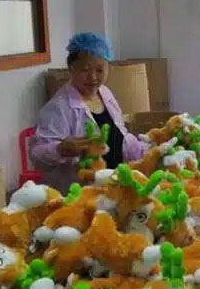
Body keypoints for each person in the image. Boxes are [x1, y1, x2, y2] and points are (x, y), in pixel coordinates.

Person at [30, 32, 147, 191]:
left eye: (99, 70)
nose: (92, 77)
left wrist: (149, 150)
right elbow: (37, 154)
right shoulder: (58, 108)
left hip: (114, 185)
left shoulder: (105, 93)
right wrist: (60, 149)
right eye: (85, 70)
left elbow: (120, 135)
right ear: (71, 68)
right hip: (79, 192)